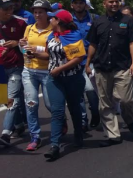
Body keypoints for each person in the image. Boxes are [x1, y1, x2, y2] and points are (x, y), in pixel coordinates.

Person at [86, 0, 133, 147]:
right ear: (104, 4)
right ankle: (113, 135)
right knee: (105, 103)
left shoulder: (128, 21)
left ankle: (129, 119)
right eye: (110, 2)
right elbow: (93, 44)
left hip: (122, 66)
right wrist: (87, 63)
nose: (114, 4)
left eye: (116, 1)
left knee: (126, 100)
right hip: (102, 67)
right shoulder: (98, 22)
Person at [43, 10, 87, 161]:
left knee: (74, 108)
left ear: (59, 21)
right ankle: (54, 145)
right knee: (57, 111)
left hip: (72, 78)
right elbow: (49, 54)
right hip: (55, 79)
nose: (49, 19)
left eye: (52, 18)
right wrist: (32, 52)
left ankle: (78, 135)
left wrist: (60, 69)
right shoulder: (52, 36)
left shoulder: (73, 36)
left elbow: (78, 58)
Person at [0, 0, 28, 147]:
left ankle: (5, 133)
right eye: (5, 9)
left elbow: (28, 43)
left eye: (11, 8)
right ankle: (18, 125)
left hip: (15, 66)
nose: (9, 11)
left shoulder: (21, 22)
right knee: (5, 100)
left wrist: (17, 43)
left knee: (12, 99)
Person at [19, 0, 53, 151]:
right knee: (31, 104)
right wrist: (23, 47)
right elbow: (25, 48)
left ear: (47, 14)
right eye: (35, 12)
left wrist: (35, 50)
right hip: (29, 70)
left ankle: (61, 120)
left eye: (41, 12)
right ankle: (35, 136)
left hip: (46, 71)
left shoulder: (53, 30)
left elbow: (52, 53)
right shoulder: (29, 28)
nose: (38, 15)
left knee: (50, 104)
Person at [71, 0, 100, 132]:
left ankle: (95, 112)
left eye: (81, 3)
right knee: (77, 93)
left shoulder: (95, 19)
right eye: (75, 3)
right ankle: (83, 120)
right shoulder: (67, 20)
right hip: (73, 61)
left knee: (90, 89)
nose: (78, 5)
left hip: (91, 60)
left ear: (85, 4)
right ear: (72, 5)